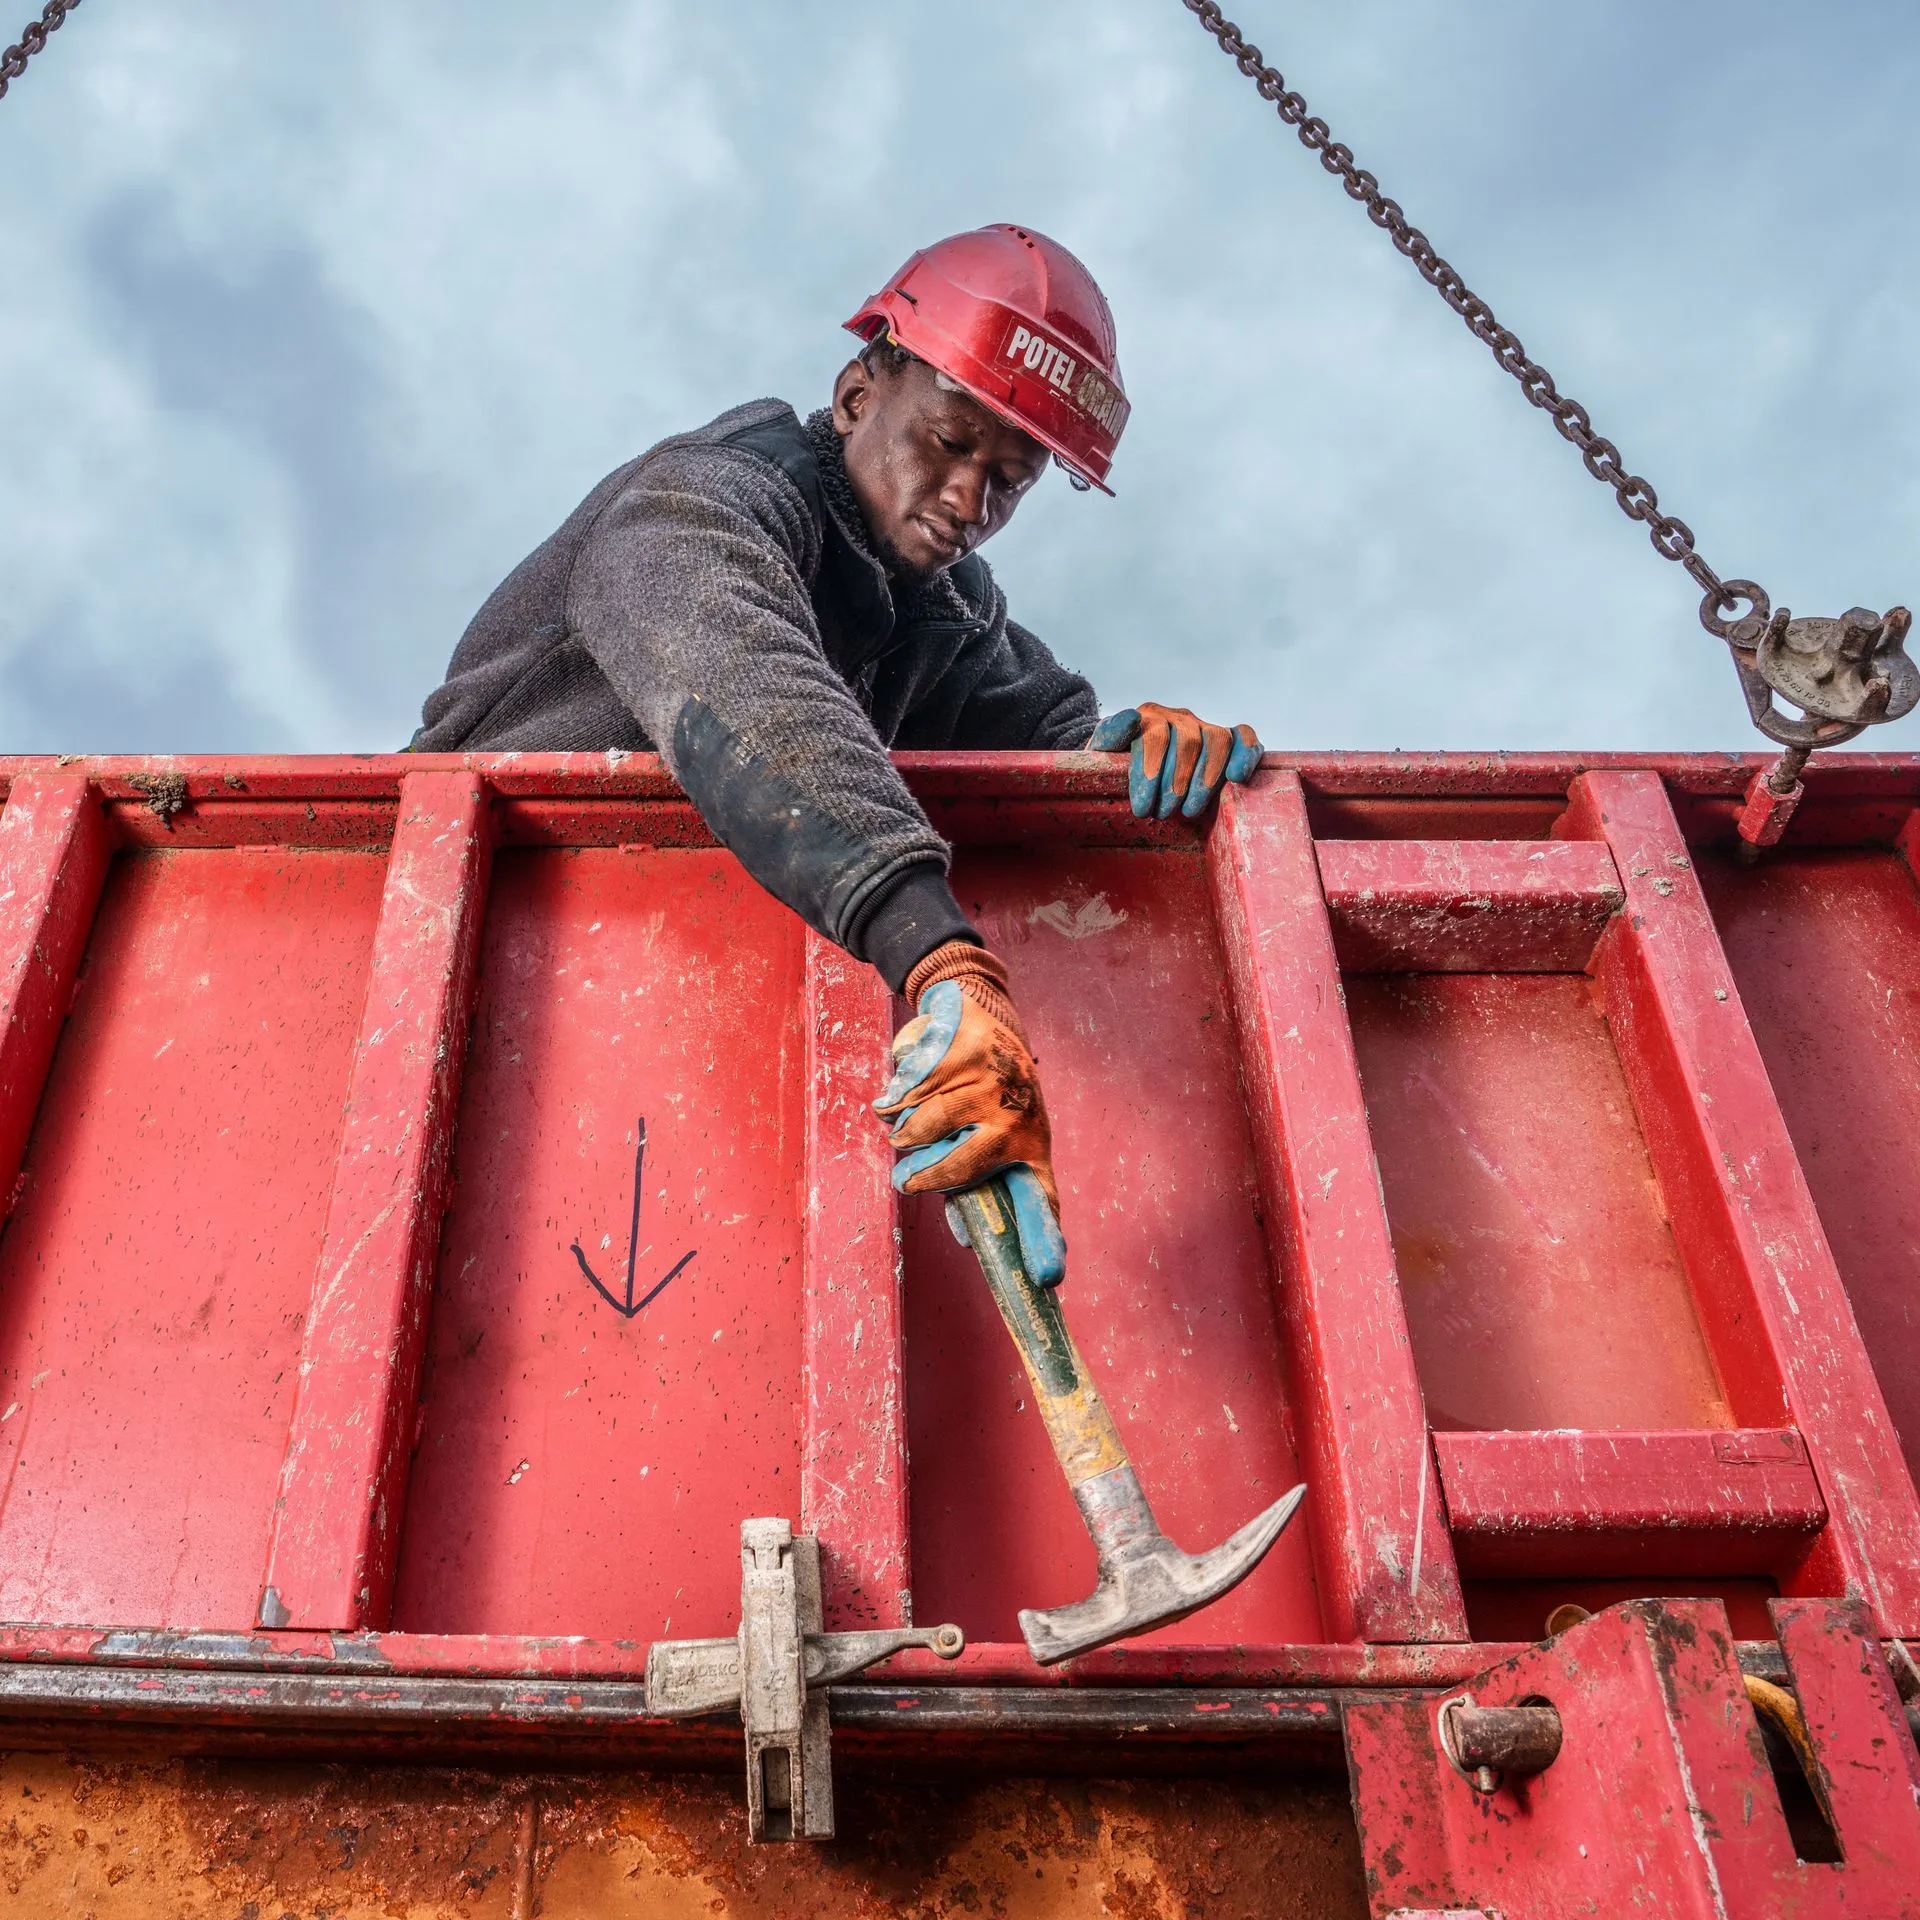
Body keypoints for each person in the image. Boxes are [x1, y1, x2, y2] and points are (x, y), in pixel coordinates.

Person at [413, 224, 1263, 1286]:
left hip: (669, 1026)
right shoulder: (701, 505)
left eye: (1010, 482)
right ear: (859, 394)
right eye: (950, 445)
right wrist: (940, 955)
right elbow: (746, 684)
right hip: (461, 959)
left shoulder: (941, 613)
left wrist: (1149, 755)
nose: (968, 503)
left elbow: (1052, 743)